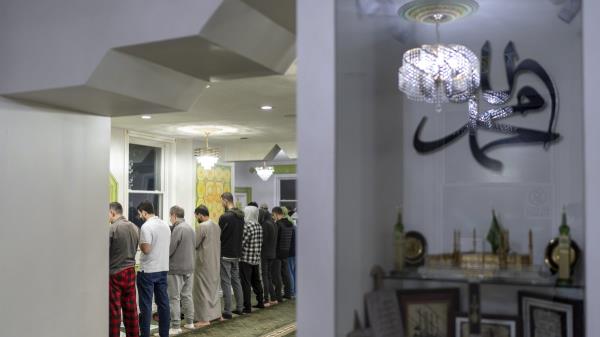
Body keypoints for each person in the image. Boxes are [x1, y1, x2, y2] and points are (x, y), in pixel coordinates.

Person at [136, 201, 171, 337]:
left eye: (140, 214)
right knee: (163, 303)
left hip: (148, 271)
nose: (139, 216)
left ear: (144, 212)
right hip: (163, 268)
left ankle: (144, 334)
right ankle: (164, 334)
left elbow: (146, 249)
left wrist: (139, 241)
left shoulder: (146, 227)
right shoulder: (165, 225)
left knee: (146, 306)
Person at [108, 202, 140, 337]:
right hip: (131, 271)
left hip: (115, 273)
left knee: (114, 312)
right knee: (131, 310)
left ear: (113, 213)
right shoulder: (134, 227)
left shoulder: (112, 229)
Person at [166, 206, 196, 335]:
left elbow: (170, 249)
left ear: (174, 215)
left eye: (170, 216)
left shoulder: (178, 229)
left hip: (176, 268)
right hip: (189, 267)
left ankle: (176, 326)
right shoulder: (190, 228)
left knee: (174, 298)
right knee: (187, 296)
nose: (170, 219)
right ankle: (190, 322)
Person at [193, 205, 222, 327]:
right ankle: (216, 315)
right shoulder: (216, 225)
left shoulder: (202, 226)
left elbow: (194, 244)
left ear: (200, 214)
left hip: (203, 263)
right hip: (215, 262)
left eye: (196, 216)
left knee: (202, 291)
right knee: (213, 290)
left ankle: (204, 319)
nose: (196, 218)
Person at [218, 192, 245, 319]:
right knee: (236, 280)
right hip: (237, 253)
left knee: (226, 282)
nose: (221, 204)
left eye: (221, 201)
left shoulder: (225, 217)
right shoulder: (241, 216)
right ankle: (240, 307)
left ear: (225, 200)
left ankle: (228, 310)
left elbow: (220, 236)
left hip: (226, 253)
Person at [240, 205, 265, 313]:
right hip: (256, 258)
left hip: (245, 259)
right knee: (256, 281)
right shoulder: (259, 226)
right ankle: (261, 302)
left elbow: (242, 243)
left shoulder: (247, 226)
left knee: (246, 283)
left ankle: (247, 306)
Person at [272, 207, 294, 301]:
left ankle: (278, 296)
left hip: (277, 252)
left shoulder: (278, 224)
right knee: (286, 274)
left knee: (277, 275)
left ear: (277, 214)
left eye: (273, 215)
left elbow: (275, 239)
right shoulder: (290, 224)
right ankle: (288, 293)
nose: (273, 217)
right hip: (286, 251)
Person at [259, 207, 278, 306]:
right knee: (269, 276)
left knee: (265, 276)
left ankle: (266, 300)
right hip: (272, 253)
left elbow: (264, 240)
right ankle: (273, 298)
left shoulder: (265, 224)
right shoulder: (274, 223)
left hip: (265, 254)